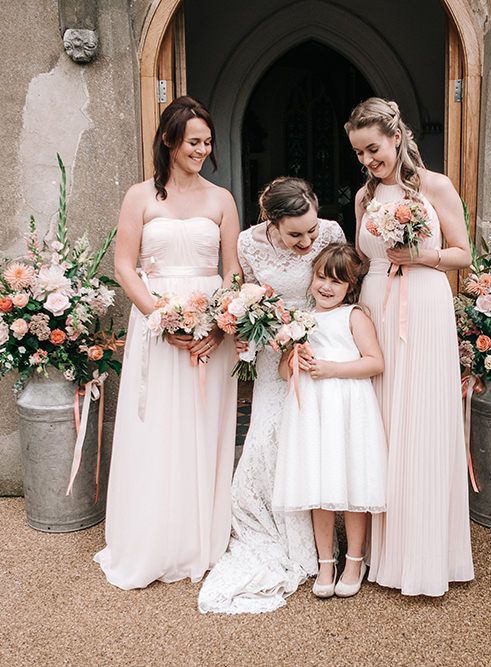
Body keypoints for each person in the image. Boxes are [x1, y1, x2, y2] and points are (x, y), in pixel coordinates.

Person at [94, 96, 240, 589]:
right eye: (193, 141)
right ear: (168, 140)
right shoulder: (139, 197)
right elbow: (123, 267)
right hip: (156, 325)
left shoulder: (221, 199)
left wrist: (219, 325)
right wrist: (161, 317)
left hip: (209, 329)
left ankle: (201, 536)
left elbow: (233, 271)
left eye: (207, 142)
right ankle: (154, 535)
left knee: (203, 424)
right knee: (156, 424)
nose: (202, 149)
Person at [198, 177, 346, 614]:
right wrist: (265, 329)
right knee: (267, 435)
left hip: (323, 344)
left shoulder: (333, 233)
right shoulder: (249, 243)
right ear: (272, 222)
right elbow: (242, 297)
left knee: (315, 439)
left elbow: (342, 285)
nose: (306, 242)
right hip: (272, 354)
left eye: (311, 232)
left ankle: (326, 543)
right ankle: (279, 536)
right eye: (295, 234)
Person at [345, 97, 475, 596]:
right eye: (359, 153)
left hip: (423, 304)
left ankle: (424, 550)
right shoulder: (364, 198)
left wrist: (425, 255)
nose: (367, 161)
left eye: (372, 149)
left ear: (396, 137)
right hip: (379, 302)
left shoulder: (436, 186)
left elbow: (463, 254)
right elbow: (361, 259)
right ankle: (381, 548)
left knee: (419, 417)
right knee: (381, 416)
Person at [272, 242, 388, 599]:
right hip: (311, 410)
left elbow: (375, 362)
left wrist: (332, 369)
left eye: (336, 282)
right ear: (312, 279)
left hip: (347, 406)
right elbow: (282, 373)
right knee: (317, 485)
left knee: (352, 482)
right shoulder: (300, 321)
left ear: (350, 287)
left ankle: (355, 558)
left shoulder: (354, 315)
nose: (326, 286)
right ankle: (326, 560)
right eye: (321, 277)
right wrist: (295, 358)